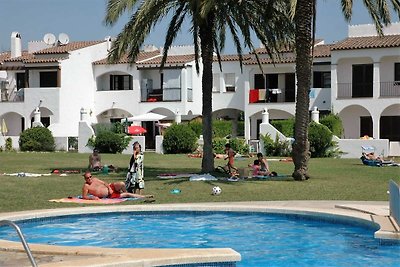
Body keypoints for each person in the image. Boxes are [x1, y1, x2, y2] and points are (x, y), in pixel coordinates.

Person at [82, 171, 153, 200]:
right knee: (127, 194)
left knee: (122, 183)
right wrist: (92, 198)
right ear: (85, 179)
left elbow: (105, 183)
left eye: (90, 176)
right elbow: (84, 196)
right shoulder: (86, 186)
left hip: (110, 187)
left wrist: (109, 188)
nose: (90, 178)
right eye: (88, 178)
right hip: (109, 195)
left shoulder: (95, 179)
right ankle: (144, 196)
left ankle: (125, 195)